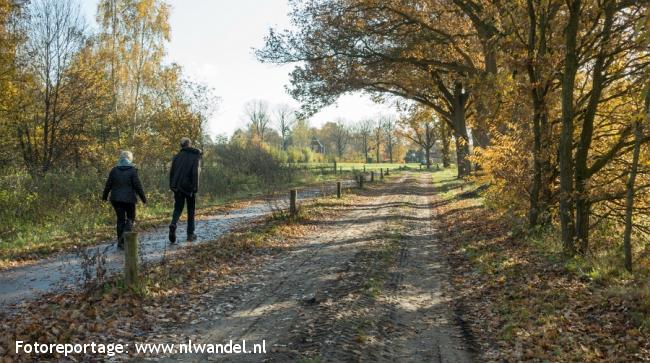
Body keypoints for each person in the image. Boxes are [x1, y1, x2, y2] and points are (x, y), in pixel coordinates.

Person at [102, 151, 147, 249]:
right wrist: (143, 199)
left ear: (120, 158)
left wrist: (104, 196)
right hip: (129, 199)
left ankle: (120, 242)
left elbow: (108, 185)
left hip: (116, 199)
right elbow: (138, 186)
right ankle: (123, 238)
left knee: (120, 220)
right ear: (130, 159)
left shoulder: (114, 170)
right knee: (131, 218)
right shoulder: (132, 170)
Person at [168, 137, 202, 243]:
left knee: (178, 208)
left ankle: (173, 224)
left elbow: (172, 172)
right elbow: (195, 172)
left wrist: (172, 186)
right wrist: (195, 187)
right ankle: (190, 234)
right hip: (189, 187)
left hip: (178, 187)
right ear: (189, 144)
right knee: (191, 210)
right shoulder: (194, 155)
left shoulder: (176, 157)